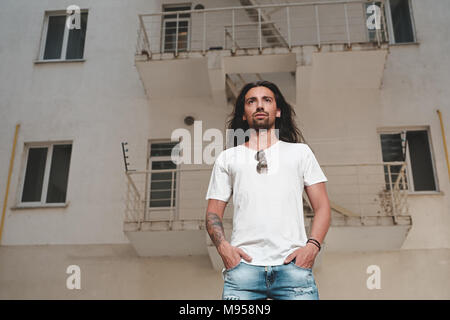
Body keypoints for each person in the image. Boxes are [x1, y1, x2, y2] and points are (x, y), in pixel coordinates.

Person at [205, 80, 331, 300]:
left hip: (293, 268)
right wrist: (224, 248)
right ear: (244, 114)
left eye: (267, 100)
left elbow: (322, 207)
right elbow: (212, 213)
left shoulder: (301, 153)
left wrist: (312, 247)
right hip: (243, 270)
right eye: (251, 101)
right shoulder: (228, 158)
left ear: (278, 110)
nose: (260, 106)